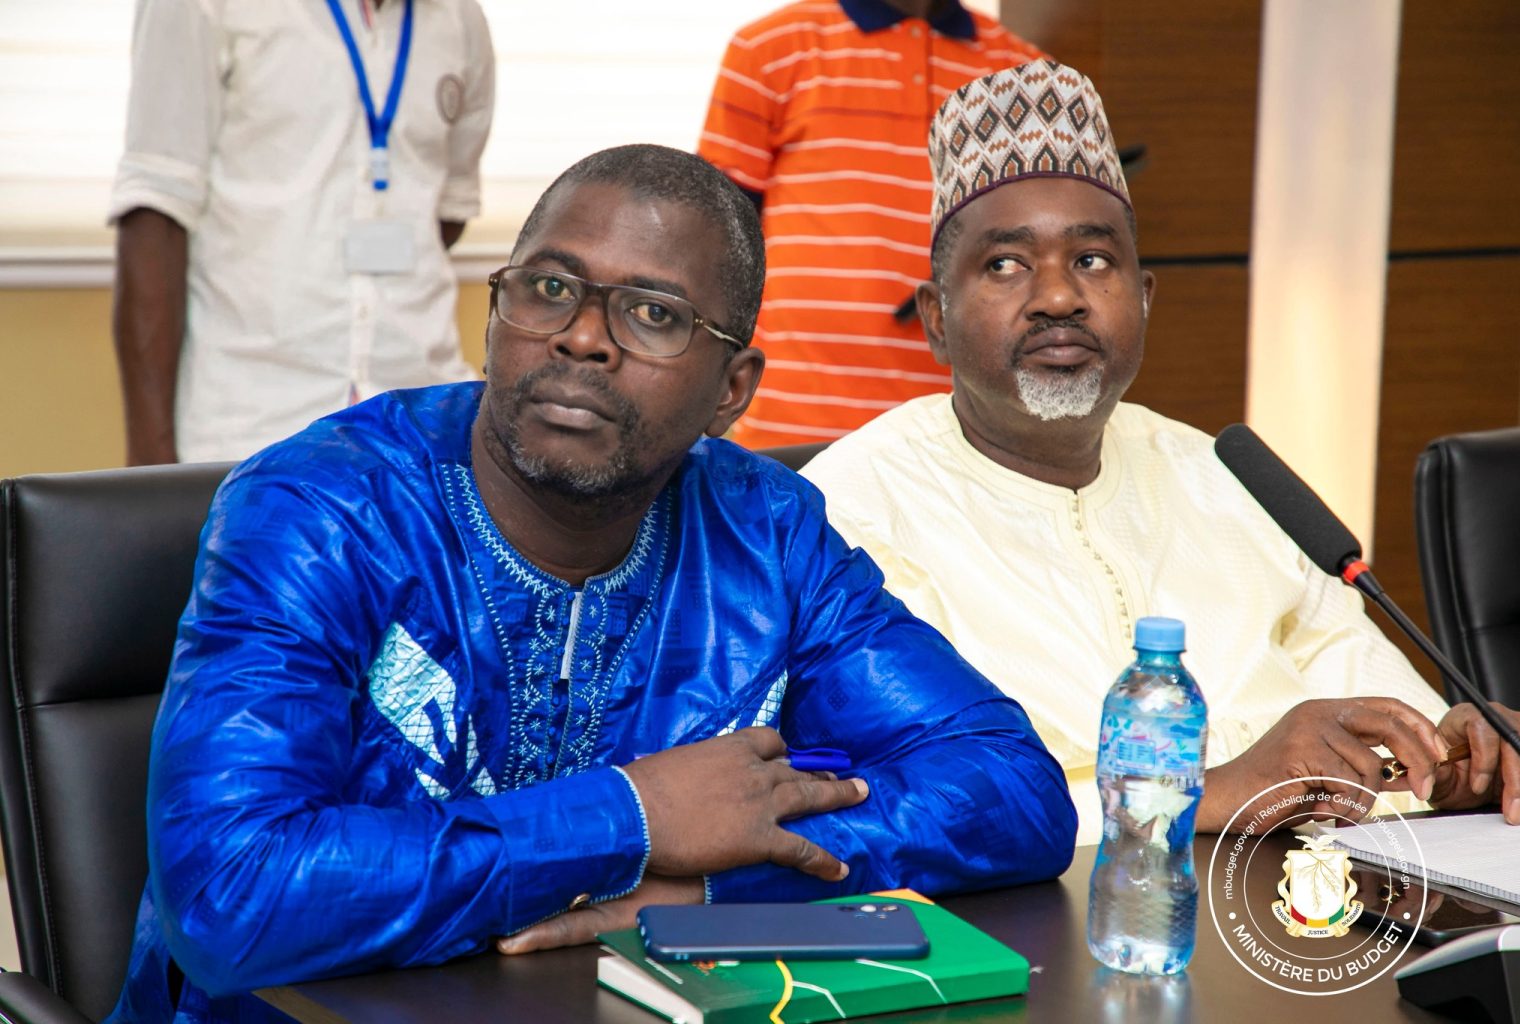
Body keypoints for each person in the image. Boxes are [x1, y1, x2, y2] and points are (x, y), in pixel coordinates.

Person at [106, 144, 1075, 1024]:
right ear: (495, 312)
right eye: (549, 288)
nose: (580, 338)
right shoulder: (324, 512)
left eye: (653, 314)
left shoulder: (766, 533)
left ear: (733, 389)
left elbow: (1012, 790)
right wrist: (632, 816)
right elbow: (229, 894)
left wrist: (711, 891)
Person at [803, 60, 1520, 843]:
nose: (1059, 297)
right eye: (1005, 264)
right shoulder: (848, 515)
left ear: (1144, 299)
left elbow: (1386, 718)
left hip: (1311, 897)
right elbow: (903, 809)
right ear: (935, 319)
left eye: (1092, 260)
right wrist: (1211, 794)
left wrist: (1449, 761)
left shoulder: (1229, 478)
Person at [110, 0, 495, 465]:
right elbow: (155, 213)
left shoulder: (461, 20)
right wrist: (151, 466)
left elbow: (444, 216)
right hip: (252, 424)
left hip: (418, 428)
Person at [697, 0, 1045, 448]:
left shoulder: (1026, 76)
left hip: (955, 436)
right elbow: (712, 247)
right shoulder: (769, 49)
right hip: (790, 420)